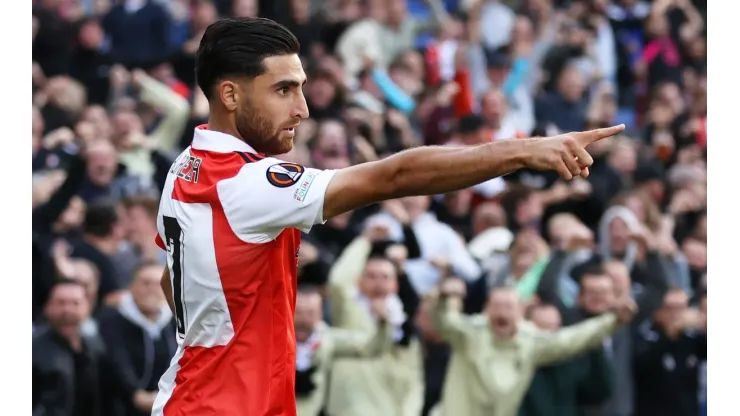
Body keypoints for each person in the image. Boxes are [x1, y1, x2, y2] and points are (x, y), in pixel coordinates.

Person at [151, 16, 625, 416]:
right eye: (284, 90)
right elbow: (394, 177)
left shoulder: (184, 169)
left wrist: (231, 335)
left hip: (194, 396)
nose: (303, 108)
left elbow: (172, 284)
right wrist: (522, 151)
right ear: (230, 96)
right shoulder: (246, 184)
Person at [428, 281, 636, 416]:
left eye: (508, 307)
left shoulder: (531, 342)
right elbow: (442, 321)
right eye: (497, 306)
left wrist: (613, 321)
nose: (502, 312)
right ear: (487, 310)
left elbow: (573, 339)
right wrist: (444, 297)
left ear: (519, 313)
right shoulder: (468, 333)